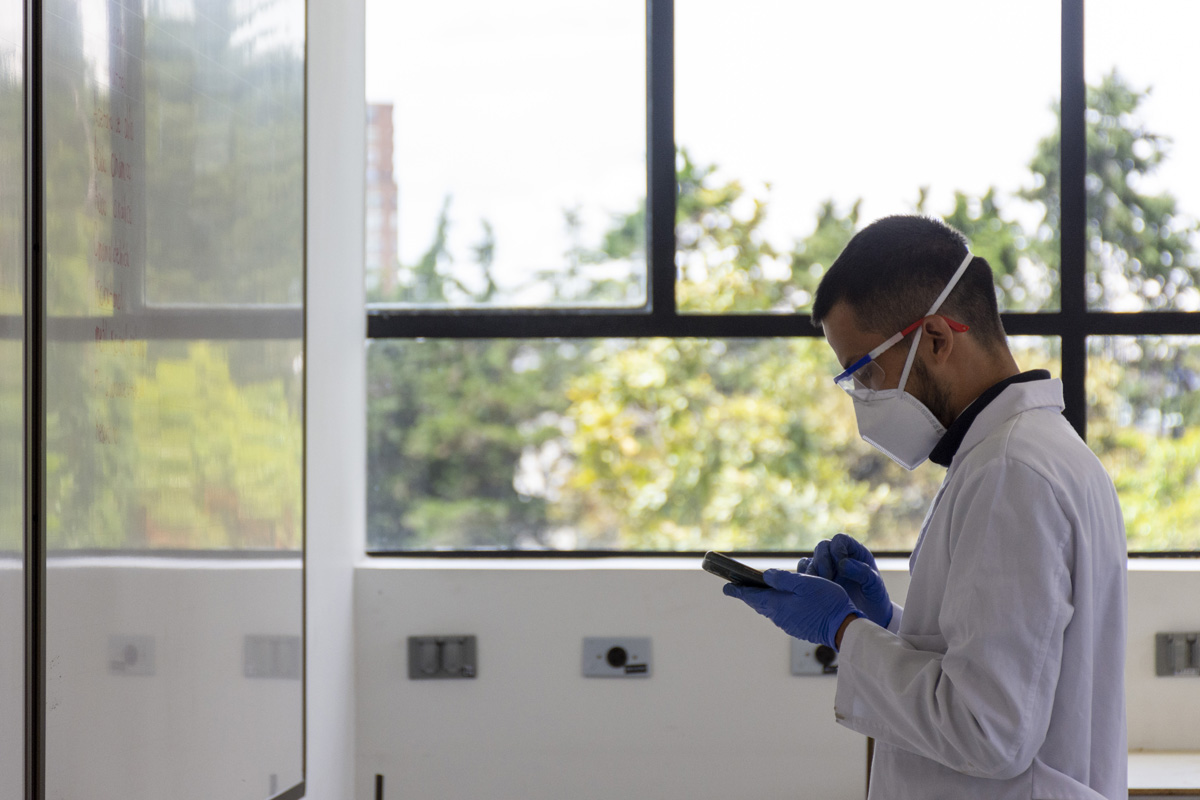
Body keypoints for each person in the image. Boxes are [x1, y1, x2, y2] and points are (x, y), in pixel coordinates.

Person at [723, 215, 1127, 799]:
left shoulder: (1011, 473)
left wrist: (843, 628)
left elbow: (987, 729)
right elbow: (1013, 663)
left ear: (937, 338)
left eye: (866, 372)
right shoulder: (1028, 454)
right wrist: (891, 625)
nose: (863, 399)